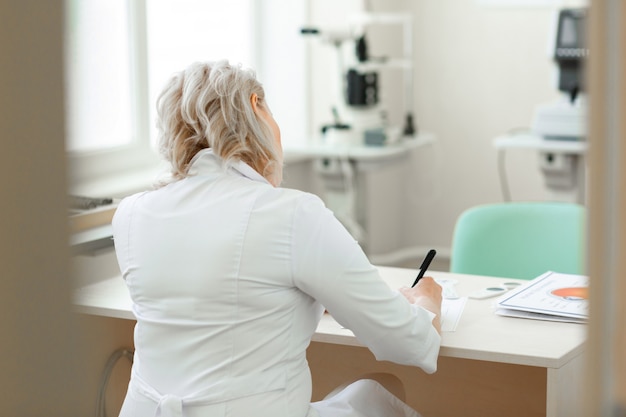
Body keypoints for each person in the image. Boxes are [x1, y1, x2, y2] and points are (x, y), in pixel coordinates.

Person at [112, 60, 442, 417]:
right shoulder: (292, 213)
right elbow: (407, 342)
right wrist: (426, 302)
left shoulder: (131, 214)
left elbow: (214, 298)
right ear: (256, 107)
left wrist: (308, 295)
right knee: (380, 392)